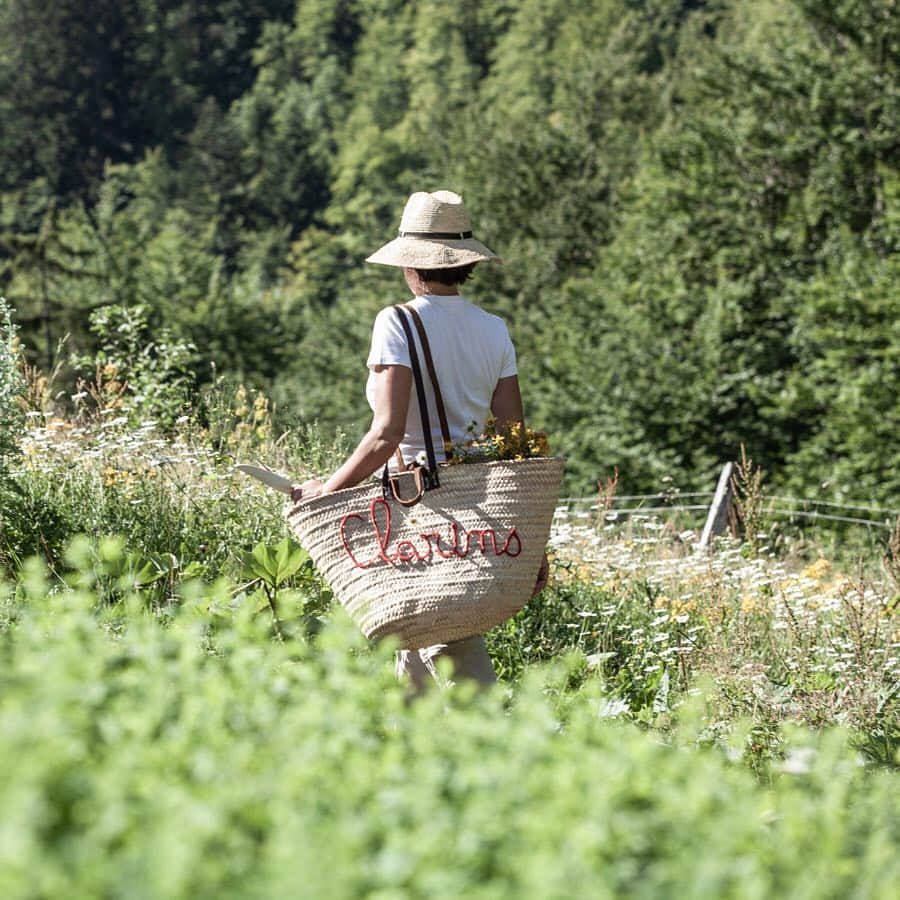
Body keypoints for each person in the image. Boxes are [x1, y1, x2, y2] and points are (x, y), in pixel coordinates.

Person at [292, 190, 549, 693]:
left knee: (441, 629)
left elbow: (387, 434)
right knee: (415, 649)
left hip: (418, 505)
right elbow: (513, 443)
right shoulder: (494, 330)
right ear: (464, 262)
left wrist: (328, 491)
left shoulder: (397, 322)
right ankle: (412, 755)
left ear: (411, 265)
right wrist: (532, 539)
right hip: (479, 505)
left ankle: (499, 753)